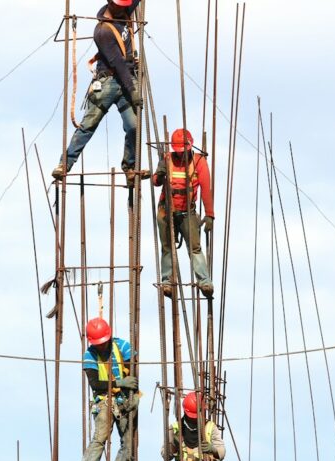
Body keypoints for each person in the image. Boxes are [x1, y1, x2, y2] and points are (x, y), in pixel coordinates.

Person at [52, 0, 147, 181]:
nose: (122, 9)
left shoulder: (124, 10)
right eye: (119, 6)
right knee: (88, 125)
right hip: (109, 82)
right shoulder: (102, 31)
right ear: (110, 3)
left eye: (124, 6)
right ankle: (65, 164)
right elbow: (118, 64)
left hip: (127, 79)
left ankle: (130, 167)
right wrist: (133, 90)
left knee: (134, 127)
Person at [75, 317, 138, 461]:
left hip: (124, 401)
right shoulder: (89, 355)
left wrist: (132, 391)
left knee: (129, 443)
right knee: (100, 438)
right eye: (98, 344)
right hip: (104, 401)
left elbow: (133, 373)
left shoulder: (123, 347)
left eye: (103, 343)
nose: (101, 346)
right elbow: (95, 384)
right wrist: (120, 383)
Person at [151, 128, 214, 298]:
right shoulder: (167, 159)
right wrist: (160, 174)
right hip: (166, 211)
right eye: (178, 152)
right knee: (167, 248)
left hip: (187, 213)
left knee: (195, 248)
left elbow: (206, 189)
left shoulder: (199, 161)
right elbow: (155, 182)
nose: (181, 155)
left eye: (183, 151)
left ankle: (204, 281)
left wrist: (209, 214)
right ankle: (167, 282)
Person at [163, 391, 226, 461]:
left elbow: (222, 453)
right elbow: (165, 455)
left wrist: (212, 449)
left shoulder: (210, 427)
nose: (195, 419)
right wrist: (173, 446)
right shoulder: (175, 428)